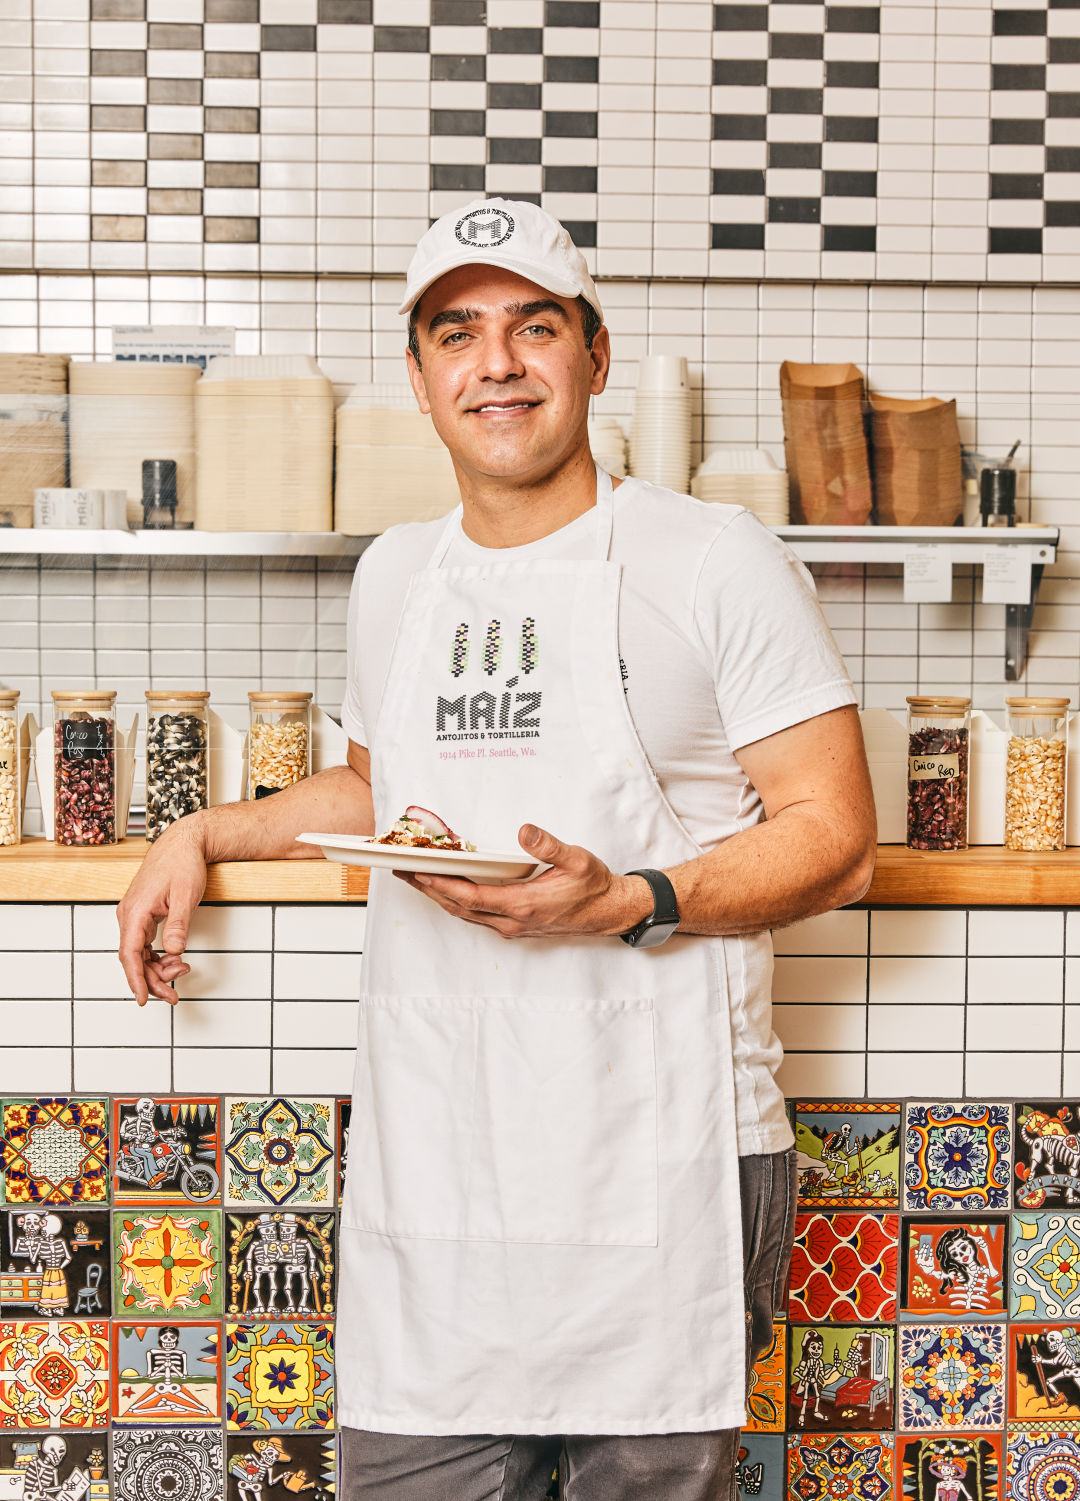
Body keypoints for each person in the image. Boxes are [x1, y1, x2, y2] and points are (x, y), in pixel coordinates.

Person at [117, 198, 876, 1499]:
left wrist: (636, 895)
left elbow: (839, 840)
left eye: (533, 325)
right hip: (445, 1159)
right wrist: (202, 829)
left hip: (663, 1152)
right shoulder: (396, 576)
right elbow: (380, 786)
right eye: (457, 333)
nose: (498, 361)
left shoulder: (714, 559)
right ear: (419, 379)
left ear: (592, 348)